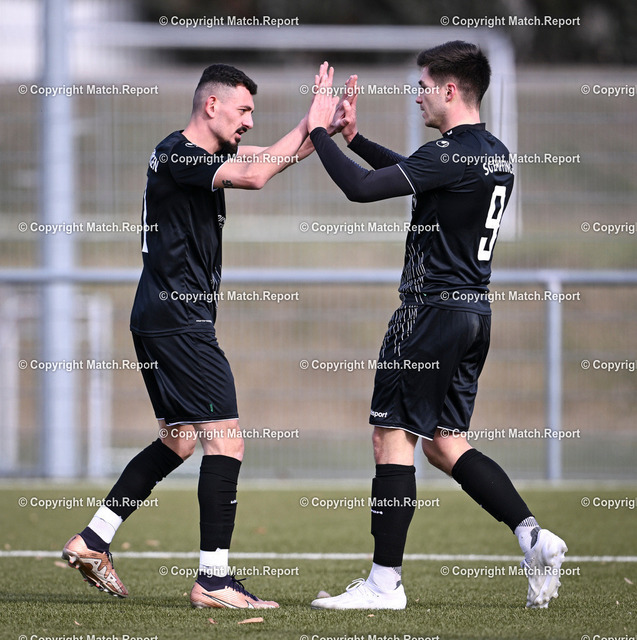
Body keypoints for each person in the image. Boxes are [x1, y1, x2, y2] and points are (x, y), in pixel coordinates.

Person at [62, 62, 348, 610]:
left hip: (159, 316)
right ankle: (214, 581)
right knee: (227, 440)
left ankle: (94, 538)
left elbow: (267, 161)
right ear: (211, 105)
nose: (249, 121)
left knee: (180, 438)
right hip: (179, 321)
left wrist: (321, 130)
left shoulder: (193, 156)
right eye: (243, 110)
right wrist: (311, 122)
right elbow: (257, 175)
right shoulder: (181, 154)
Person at [306, 41, 567, 610]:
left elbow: (362, 189)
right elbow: (418, 174)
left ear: (450, 89)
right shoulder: (493, 152)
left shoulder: (450, 153)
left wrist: (317, 130)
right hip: (473, 314)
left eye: (422, 87)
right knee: (445, 444)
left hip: (428, 314)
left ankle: (384, 584)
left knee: (391, 436)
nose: (417, 96)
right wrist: (354, 139)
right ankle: (532, 536)